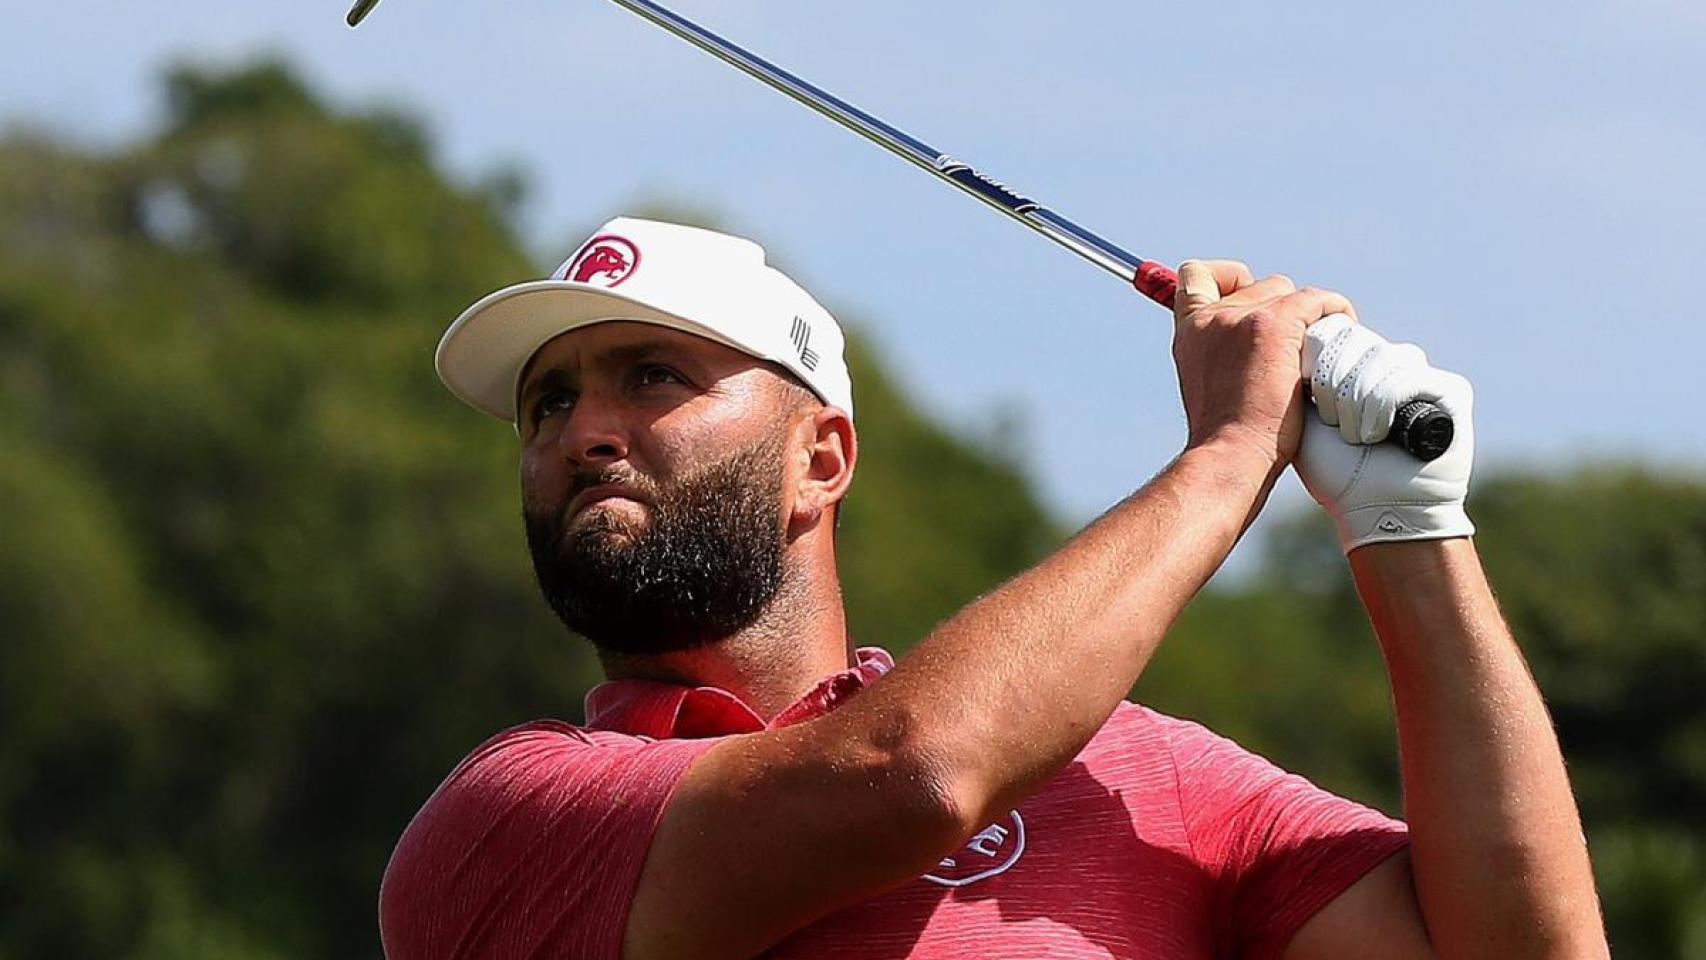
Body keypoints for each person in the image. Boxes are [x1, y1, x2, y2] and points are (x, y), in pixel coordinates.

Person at [379, 216, 1608, 959]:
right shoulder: (503, 819)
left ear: (821, 458)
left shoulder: (1137, 773)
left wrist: (1405, 520)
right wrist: (1232, 456)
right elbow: (911, 775)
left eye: (651, 377)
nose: (584, 430)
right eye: (550, 402)